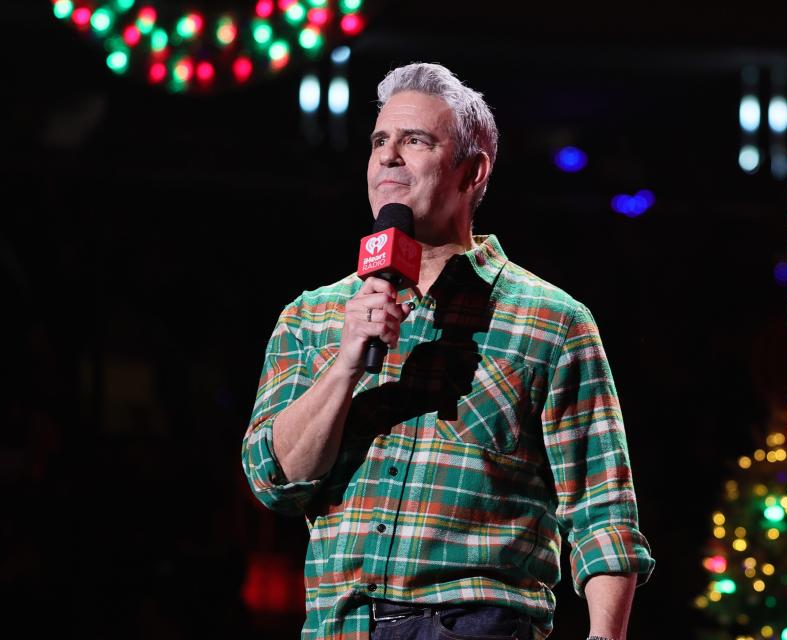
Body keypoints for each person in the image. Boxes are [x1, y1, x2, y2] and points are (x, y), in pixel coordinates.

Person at [241, 62, 655, 640]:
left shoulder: (552, 321)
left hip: (476, 623)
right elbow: (274, 481)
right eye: (380, 141)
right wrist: (345, 363)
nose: (388, 157)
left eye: (415, 141)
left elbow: (602, 512)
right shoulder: (312, 317)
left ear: (472, 170)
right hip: (341, 627)